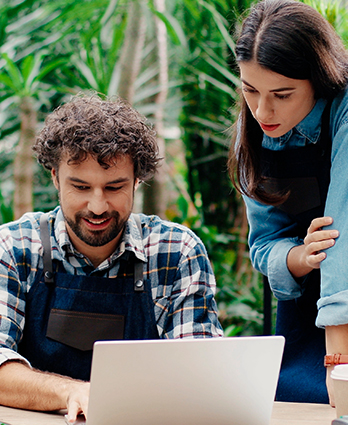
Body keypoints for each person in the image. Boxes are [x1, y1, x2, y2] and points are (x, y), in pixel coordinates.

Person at [0, 94, 223, 422]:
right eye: (80, 186)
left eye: (115, 187)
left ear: (137, 181)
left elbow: (201, 375)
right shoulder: (16, 247)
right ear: (54, 178)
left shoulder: (176, 252)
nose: (98, 206)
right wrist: (72, 392)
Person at [228, 0, 348, 405]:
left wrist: (339, 364)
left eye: (282, 94)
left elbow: (341, 239)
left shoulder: (345, 111)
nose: (263, 110)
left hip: (339, 321)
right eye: (250, 90)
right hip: (303, 318)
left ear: (320, 79)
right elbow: (264, 244)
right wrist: (301, 256)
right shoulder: (253, 135)